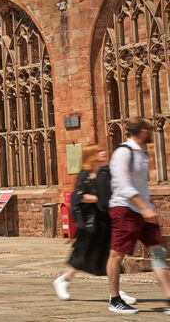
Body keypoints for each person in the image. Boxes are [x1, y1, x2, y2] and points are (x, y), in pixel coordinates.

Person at [53, 144, 135, 304]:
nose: (104, 152)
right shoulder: (85, 174)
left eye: (103, 150)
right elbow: (77, 197)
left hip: (103, 220)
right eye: (100, 151)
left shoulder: (105, 172)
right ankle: (63, 280)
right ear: (92, 155)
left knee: (107, 256)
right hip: (89, 222)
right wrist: (99, 199)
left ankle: (116, 292)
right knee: (83, 255)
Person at [106, 117, 170, 314]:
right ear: (143, 131)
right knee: (117, 254)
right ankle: (114, 299)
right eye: (150, 128)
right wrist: (146, 208)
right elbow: (123, 186)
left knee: (158, 252)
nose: (153, 131)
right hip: (124, 209)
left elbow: (140, 186)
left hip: (144, 211)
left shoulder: (141, 152)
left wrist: (148, 207)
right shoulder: (123, 153)